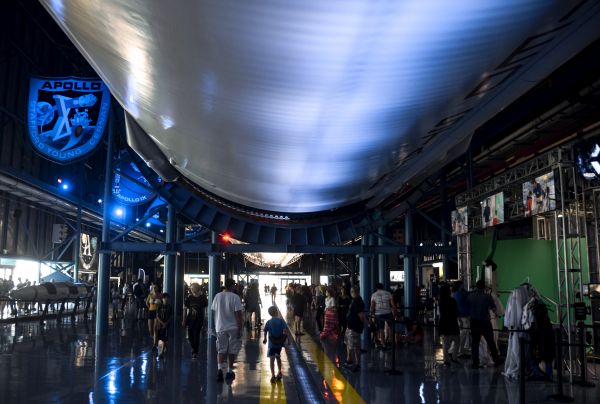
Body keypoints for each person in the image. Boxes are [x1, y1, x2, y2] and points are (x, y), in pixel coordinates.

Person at [212, 278, 244, 382]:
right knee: (232, 350)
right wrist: (240, 329)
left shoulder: (217, 296)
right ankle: (230, 371)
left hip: (220, 327)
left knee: (221, 350)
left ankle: (219, 370)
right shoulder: (235, 297)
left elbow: (214, 312)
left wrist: (216, 324)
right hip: (233, 327)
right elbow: (238, 315)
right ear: (233, 286)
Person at [468, 280, 502, 369]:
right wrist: (497, 314)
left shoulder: (470, 296)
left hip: (474, 322)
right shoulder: (487, 297)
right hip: (485, 322)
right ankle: (496, 360)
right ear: (484, 287)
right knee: (491, 342)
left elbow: (467, 307)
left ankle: (475, 363)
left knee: (475, 343)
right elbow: (494, 308)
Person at [263, 306, 289, 383]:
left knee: (271, 359)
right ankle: (279, 372)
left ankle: (273, 375)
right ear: (276, 312)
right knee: (278, 357)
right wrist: (288, 340)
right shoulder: (281, 321)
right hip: (279, 344)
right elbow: (285, 331)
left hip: (272, 344)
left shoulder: (268, 322)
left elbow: (265, 330)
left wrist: (265, 338)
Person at [183, 283, 208, 359]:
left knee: (196, 334)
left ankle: (195, 352)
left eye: (193, 288)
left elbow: (204, 309)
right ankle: (193, 347)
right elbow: (185, 309)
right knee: (190, 335)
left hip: (199, 319)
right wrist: (184, 320)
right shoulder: (189, 298)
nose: (191, 289)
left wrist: (204, 319)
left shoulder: (202, 298)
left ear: (197, 288)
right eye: (191, 288)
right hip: (190, 319)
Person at [344, 286, 365, 372]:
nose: (353, 293)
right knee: (350, 344)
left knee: (354, 346)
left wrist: (363, 324)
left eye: (354, 291)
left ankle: (356, 363)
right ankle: (350, 361)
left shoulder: (358, 301)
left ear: (357, 292)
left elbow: (361, 315)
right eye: (352, 291)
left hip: (354, 327)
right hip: (350, 327)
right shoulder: (355, 300)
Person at [439, 284, 460, 367]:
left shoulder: (441, 301)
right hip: (453, 323)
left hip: (444, 323)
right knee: (457, 341)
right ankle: (454, 357)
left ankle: (446, 360)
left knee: (445, 343)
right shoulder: (452, 300)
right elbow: (456, 312)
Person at [370, 282, 396, 349]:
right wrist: (394, 313)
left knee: (381, 329)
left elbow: (372, 306)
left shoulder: (374, 295)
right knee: (391, 327)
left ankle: (383, 344)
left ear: (376, 288)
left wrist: (371, 315)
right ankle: (391, 342)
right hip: (388, 312)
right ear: (382, 287)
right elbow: (393, 305)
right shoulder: (388, 293)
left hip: (378, 314)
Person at [452, 281, 471, 358]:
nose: (463, 286)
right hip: (463, 317)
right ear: (460, 286)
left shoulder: (455, 294)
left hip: (459, 316)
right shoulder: (462, 294)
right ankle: (459, 351)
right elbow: (469, 294)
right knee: (462, 334)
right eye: (462, 285)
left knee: (460, 334)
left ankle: (457, 350)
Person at [156, 293, 173, 358]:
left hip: (166, 325)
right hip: (160, 324)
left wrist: (166, 323)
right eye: (165, 298)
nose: (166, 299)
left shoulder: (170, 307)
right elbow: (157, 316)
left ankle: (162, 352)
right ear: (162, 299)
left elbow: (170, 316)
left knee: (164, 338)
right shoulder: (159, 306)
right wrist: (162, 323)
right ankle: (163, 348)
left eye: (167, 298)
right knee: (160, 337)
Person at [146, 285, 161, 349]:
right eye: (153, 288)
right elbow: (147, 303)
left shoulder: (160, 295)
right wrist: (150, 307)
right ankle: (155, 339)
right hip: (151, 311)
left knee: (155, 328)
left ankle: (155, 344)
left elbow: (162, 303)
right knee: (150, 329)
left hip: (157, 312)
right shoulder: (150, 295)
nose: (154, 289)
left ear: (157, 289)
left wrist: (159, 307)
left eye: (156, 288)